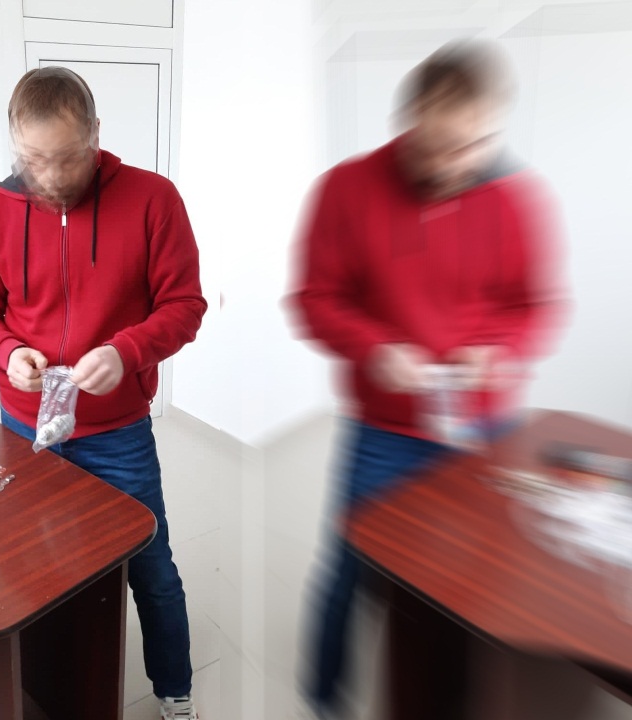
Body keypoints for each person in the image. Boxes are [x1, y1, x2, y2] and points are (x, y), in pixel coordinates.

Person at [289, 40, 566, 718]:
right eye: (438, 148)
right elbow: (315, 299)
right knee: (350, 565)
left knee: (480, 571)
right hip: (385, 428)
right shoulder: (347, 188)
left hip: (483, 422)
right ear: (408, 123)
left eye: (473, 147)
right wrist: (376, 349)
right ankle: (323, 694)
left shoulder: (515, 199)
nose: (453, 165)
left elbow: (537, 305)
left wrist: (498, 350)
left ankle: (461, 692)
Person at [0, 66, 208, 720]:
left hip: (117, 432)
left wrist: (127, 352)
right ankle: (48, 687)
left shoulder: (154, 199)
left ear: (96, 133)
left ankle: (174, 692)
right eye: (32, 160)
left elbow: (185, 305)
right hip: (22, 426)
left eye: (67, 157)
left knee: (152, 569)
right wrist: (6, 353)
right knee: (33, 568)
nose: (49, 177)